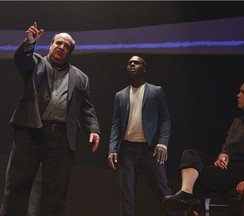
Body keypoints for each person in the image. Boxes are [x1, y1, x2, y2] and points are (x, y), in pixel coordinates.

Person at [0, 22, 100, 216]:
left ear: (70, 51)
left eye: (66, 46)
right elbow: (22, 61)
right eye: (58, 43)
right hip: (30, 132)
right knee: (17, 184)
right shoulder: (36, 63)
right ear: (51, 45)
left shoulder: (81, 77)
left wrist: (94, 129)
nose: (61, 47)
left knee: (55, 191)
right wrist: (29, 44)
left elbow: (86, 108)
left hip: (61, 138)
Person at [162, 78, 244, 215]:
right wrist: (223, 156)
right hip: (233, 165)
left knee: (197, 177)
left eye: (243, 92)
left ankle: (189, 200)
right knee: (190, 154)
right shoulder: (238, 121)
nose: (238, 95)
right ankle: (186, 192)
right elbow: (227, 148)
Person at [108, 56, 176, 216]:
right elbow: (116, 124)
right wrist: (112, 148)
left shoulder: (156, 91)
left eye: (136, 62)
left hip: (150, 150)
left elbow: (166, 119)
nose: (132, 64)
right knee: (126, 195)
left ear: (144, 69)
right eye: (129, 63)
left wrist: (163, 143)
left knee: (163, 191)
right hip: (127, 150)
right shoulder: (120, 95)